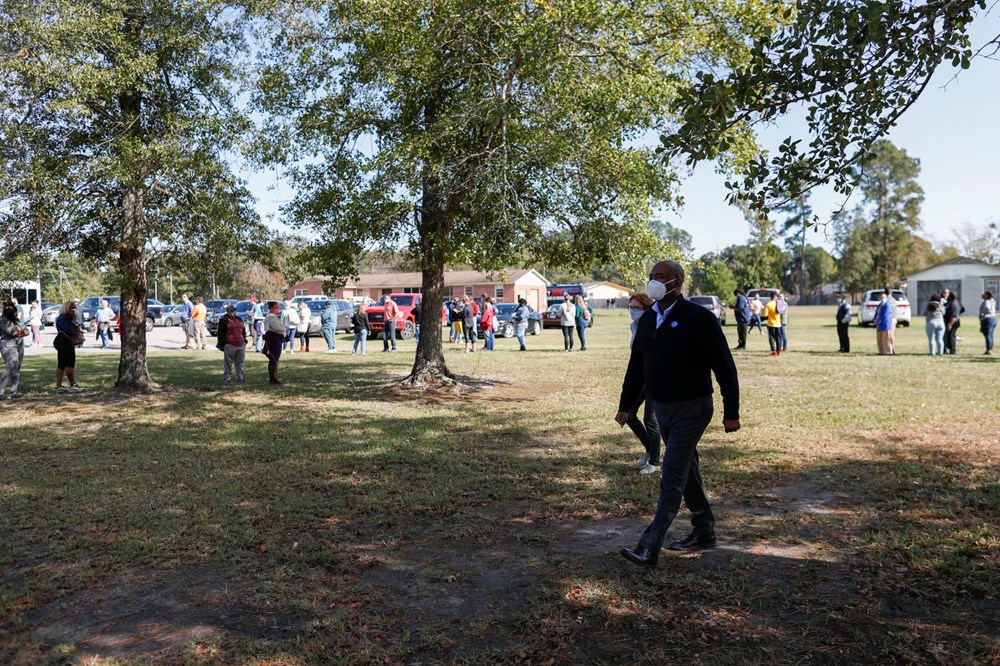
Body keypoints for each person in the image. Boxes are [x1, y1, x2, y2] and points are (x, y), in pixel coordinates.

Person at [616, 260, 740, 566]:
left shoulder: (698, 318)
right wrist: (626, 406)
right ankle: (704, 529)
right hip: (663, 408)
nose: (654, 282)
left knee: (671, 473)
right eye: (652, 277)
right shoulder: (648, 320)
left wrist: (731, 411)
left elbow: (725, 366)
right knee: (687, 468)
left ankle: (649, 546)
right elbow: (637, 368)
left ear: (678, 282)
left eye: (661, 277)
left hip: (693, 408)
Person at [624, 293, 661, 475]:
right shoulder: (633, 326)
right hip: (640, 377)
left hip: (656, 378)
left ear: (646, 309)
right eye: (630, 307)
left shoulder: (654, 324)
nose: (632, 311)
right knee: (629, 415)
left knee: (651, 420)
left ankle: (655, 462)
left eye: (636, 308)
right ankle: (650, 449)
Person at [0, 301, 30, 400]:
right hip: (8, 346)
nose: (12, 312)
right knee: (11, 367)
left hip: (19, 345)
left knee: (17, 368)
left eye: (13, 309)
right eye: (9, 309)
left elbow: (27, 331)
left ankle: (14, 390)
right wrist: (21, 332)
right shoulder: (3, 320)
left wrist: (21, 332)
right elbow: (13, 333)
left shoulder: (16, 320)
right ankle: (0, 391)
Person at [53, 301, 84, 393]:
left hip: (61, 340)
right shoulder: (64, 318)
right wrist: (74, 320)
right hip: (65, 341)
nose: (74, 310)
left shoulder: (61, 318)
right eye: (73, 307)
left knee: (61, 363)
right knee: (70, 363)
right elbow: (70, 329)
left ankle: (59, 386)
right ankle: (72, 385)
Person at [216, 304, 247, 382]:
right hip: (229, 344)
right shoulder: (224, 320)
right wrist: (223, 344)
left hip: (240, 343)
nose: (233, 312)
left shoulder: (239, 319)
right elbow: (221, 333)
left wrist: (244, 340)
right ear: (227, 311)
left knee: (240, 363)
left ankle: (240, 377)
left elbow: (243, 330)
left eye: (234, 310)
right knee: (228, 363)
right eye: (231, 311)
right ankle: (227, 377)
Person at [262, 301, 287, 384]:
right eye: (276, 307)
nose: (278, 309)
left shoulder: (274, 317)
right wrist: (284, 328)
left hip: (277, 339)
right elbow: (278, 327)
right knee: (274, 359)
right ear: (271, 308)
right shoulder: (270, 317)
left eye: (278, 307)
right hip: (273, 339)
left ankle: (274, 376)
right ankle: (273, 377)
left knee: (275, 359)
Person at [874, 290, 894, 355]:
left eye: (883, 297)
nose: (882, 299)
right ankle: (881, 351)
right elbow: (877, 313)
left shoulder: (887, 305)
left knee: (886, 339)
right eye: (881, 298)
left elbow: (884, 315)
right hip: (879, 324)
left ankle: (888, 351)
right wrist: (875, 320)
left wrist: (878, 321)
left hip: (885, 324)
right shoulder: (879, 305)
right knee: (880, 339)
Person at [979, 291, 996, 355]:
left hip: (987, 318)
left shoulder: (987, 301)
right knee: (991, 335)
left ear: (987, 295)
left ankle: (989, 349)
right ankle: (990, 348)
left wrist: (982, 312)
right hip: (993, 318)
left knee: (988, 335)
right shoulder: (993, 301)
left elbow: (987, 308)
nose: (982, 295)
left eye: (984, 294)